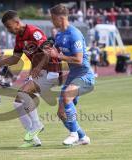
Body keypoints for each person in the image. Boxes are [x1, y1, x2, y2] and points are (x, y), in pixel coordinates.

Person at [0, 10, 61, 147]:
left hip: (51, 69)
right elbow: (14, 59)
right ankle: (33, 139)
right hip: (39, 71)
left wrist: (37, 67)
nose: (9, 30)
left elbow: (48, 51)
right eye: (6, 28)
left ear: (17, 23)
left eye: (9, 27)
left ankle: (37, 125)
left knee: (23, 94)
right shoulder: (19, 38)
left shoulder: (34, 32)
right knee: (18, 103)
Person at [45, 4, 95, 146]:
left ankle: (73, 134)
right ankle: (83, 137)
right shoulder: (59, 34)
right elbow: (55, 51)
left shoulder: (74, 34)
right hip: (73, 75)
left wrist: (58, 55)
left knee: (67, 95)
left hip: (85, 75)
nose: (51, 21)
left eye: (52, 18)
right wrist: (48, 51)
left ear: (60, 18)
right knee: (61, 113)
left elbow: (79, 60)